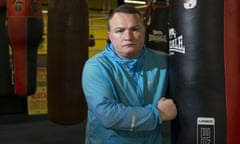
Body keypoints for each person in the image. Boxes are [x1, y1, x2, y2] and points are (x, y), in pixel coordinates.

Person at [82, 4, 177, 144]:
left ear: (144, 31)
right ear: (110, 36)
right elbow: (109, 115)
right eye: (120, 31)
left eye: (135, 29)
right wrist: (158, 114)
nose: (128, 37)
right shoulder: (96, 67)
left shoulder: (162, 61)